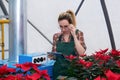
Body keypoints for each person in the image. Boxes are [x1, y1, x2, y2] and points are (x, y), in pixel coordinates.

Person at [52, 10, 86, 80]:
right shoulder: (56, 36)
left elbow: (81, 53)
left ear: (71, 25)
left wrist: (74, 36)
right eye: (61, 26)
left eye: (66, 26)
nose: (63, 29)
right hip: (58, 72)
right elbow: (54, 56)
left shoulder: (78, 34)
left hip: (73, 72)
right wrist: (52, 55)